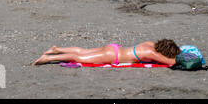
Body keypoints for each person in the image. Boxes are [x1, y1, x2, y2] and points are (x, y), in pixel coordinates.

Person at [32, 39, 181, 66]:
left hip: (114, 48)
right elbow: (171, 62)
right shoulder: (152, 54)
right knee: (79, 58)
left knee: (83, 51)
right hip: (113, 56)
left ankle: (57, 49)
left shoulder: (150, 44)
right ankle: (46, 58)